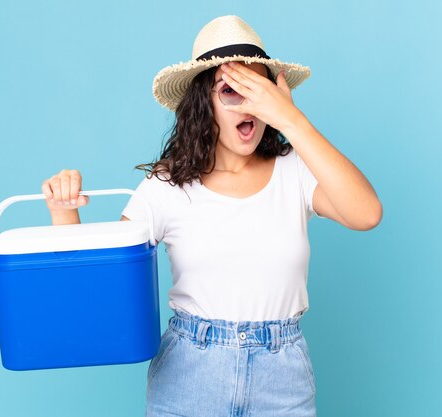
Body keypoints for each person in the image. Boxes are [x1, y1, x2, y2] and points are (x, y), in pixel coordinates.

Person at [42, 15, 382, 417]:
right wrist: (63, 215)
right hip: (190, 373)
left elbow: (366, 213)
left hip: (282, 378)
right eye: (231, 90)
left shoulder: (296, 170)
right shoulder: (167, 185)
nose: (249, 105)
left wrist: (291, 118)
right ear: (204, 102)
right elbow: (102, 291)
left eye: (258, 91)